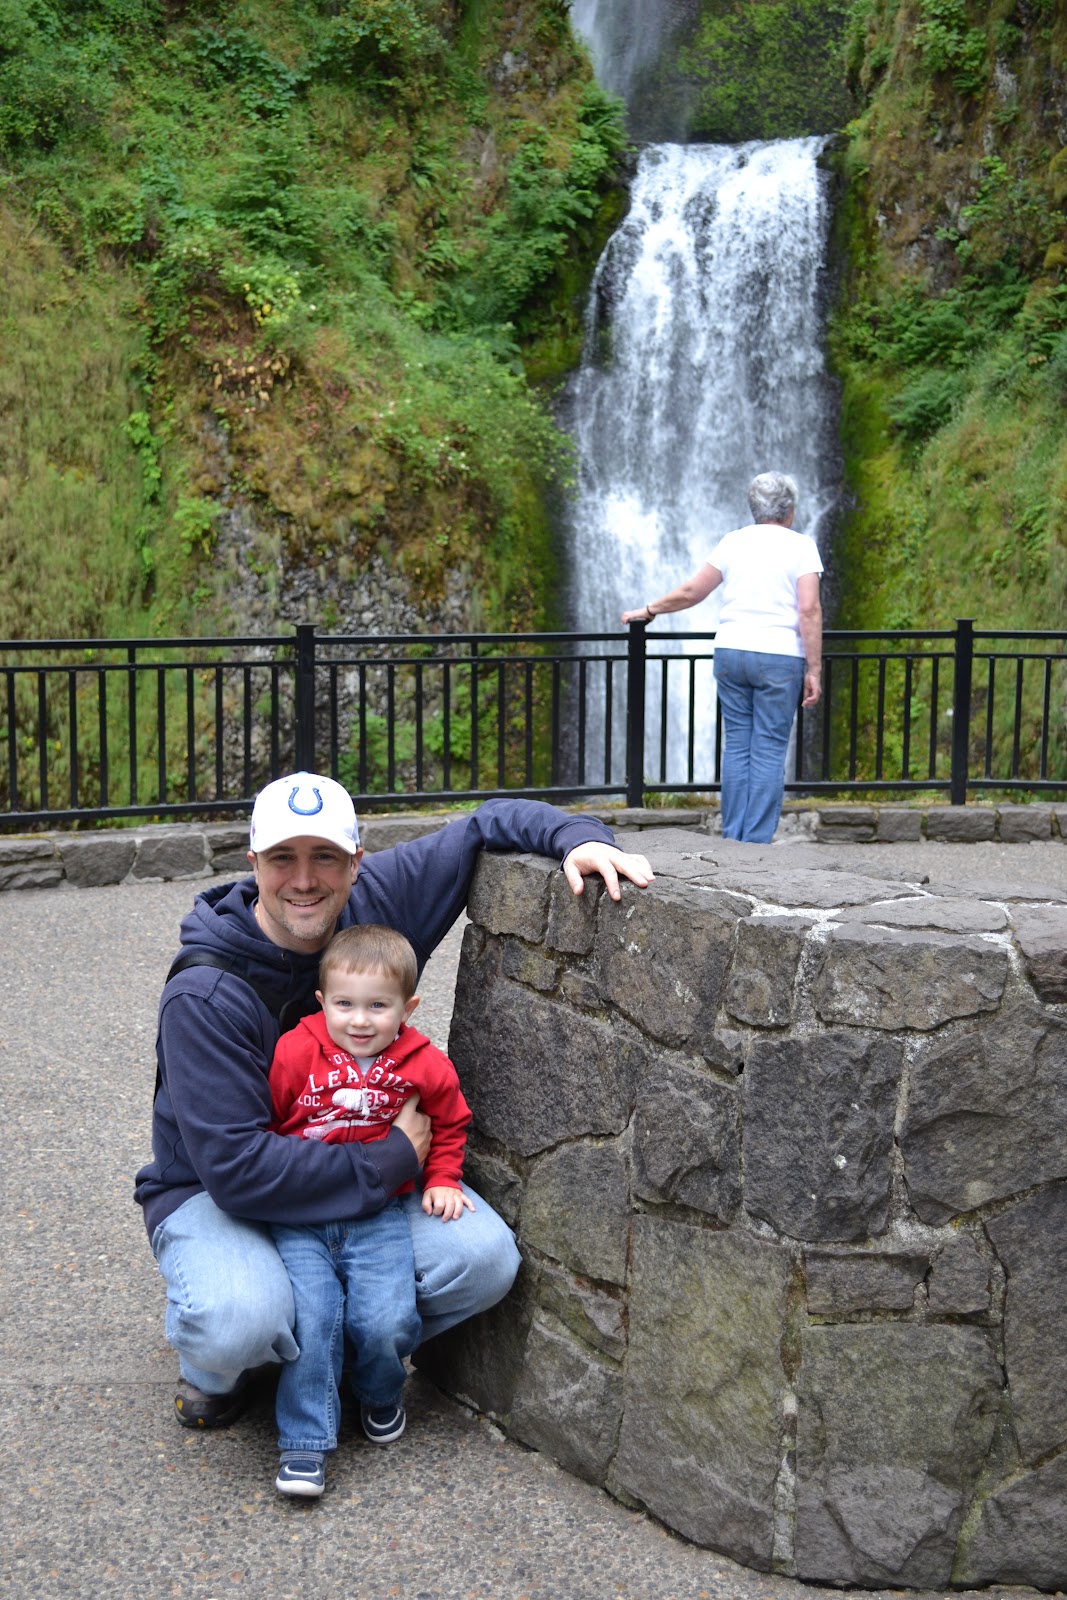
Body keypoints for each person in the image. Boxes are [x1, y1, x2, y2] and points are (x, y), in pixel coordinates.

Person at [135, 772, 654, 1431]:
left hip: (351, 1160)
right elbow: (237, 1172)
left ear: (356, 862)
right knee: (237, 1320)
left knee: (483, 1260)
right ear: (253, 864)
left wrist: (578, 837)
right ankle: (221, 1365)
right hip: (220, 1194)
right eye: (282, 858)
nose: (304, 880)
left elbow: (484, 825)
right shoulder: (206, 993)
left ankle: (336, 1347)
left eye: (325, 857)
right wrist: (391, 1159)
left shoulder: (377, 903)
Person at [268, 923, 472, 1498]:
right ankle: (305, 1441)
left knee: (386, 1318)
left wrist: (443, 1177)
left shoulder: (425, 1064)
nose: (360, 1021)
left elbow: (450, 1122)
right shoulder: (295, 1051)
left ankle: (378, 1391)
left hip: (379, 1212)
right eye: (345, 1005)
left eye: (378, 1006)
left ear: (408, 1007)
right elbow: (269, 1125)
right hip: (301, 1215)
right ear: (321, 1001)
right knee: (314, 1319)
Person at [622, 471, 823, 843]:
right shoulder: (802, 546)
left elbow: (692, 591)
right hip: (778, 657)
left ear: (753, 508)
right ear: (790, 511)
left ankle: (732, 838)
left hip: (731, 652)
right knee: (768, 749)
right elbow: (808, 609)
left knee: (738, 746)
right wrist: (814, 668)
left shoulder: (733, 541)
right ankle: (755, 842)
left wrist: (649, 610)